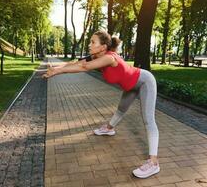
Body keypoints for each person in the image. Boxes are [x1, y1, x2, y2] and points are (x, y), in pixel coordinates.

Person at [42, 31, 160, 179]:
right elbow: (78, 63)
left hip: (145, 81)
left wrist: (57, 73)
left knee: (148, 120)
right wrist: (56, 69)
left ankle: (154, 163)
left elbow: (84, 68)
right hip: (131, 85)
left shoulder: (109, 58)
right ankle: (109, 129)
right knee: (121, 109)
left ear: (103, 47)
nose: (89, 45)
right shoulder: (96, 56)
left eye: (93, 42)